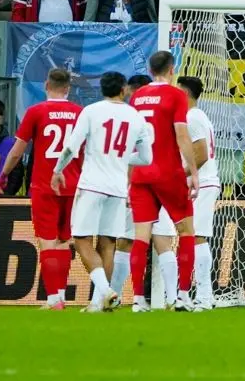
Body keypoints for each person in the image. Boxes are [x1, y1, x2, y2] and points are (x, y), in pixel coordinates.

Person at [53, 71, 151, 313]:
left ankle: (105, 292)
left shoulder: (91, 111)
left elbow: (71, 147)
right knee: (108, 243)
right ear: (123, 90)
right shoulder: (136, 117)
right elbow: (147, 158)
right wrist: (121, 157)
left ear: (102, 90)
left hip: (91, 185)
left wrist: (58, 170)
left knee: (81, 240)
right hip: (118, 189)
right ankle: (98, 304)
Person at [0, 69, 83, 309]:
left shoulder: (36, 111)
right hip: (73, 185)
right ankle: (61, 295)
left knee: (47, 241)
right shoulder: (79, 113)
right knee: (64, 240)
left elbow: (17, 151)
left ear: (46, 85)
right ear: (68, 88)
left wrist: (4, 174)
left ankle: (53, 298)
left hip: (45, 186)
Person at [126, 51, 200, 312]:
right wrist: (193, 172)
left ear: (150, 69)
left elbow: (132, 141)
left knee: (141, 237)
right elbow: (182, 135)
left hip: (140, 174)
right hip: (168, 173)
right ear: (172, 69)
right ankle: (183, 296)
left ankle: (138, 300)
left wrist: (128, 179)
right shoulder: (176, 95)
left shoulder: (137, 96)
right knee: (186, 231)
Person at [150, 76, 218, 311]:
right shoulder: (193, 116)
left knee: (197, 236)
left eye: (178, 91)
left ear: (185, 94)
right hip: (189, 184)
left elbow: (202, 154)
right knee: (170, 234)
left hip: (202, 183)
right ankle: (176, 296)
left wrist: (179, 175)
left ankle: (205, 296)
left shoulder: (193, 117)